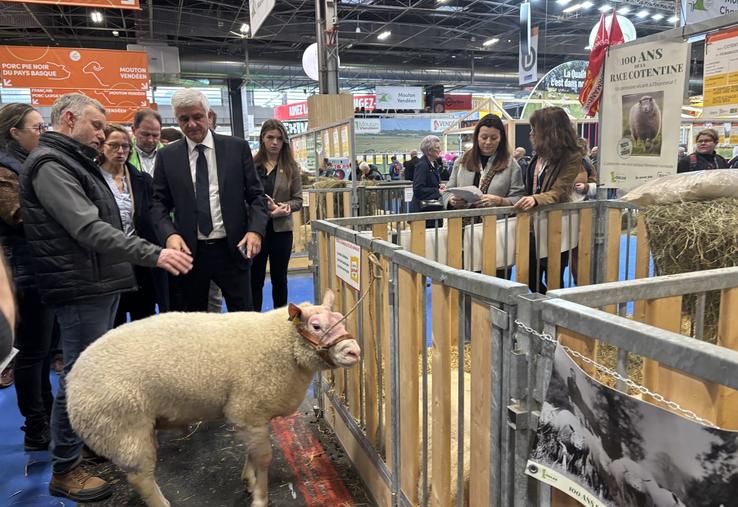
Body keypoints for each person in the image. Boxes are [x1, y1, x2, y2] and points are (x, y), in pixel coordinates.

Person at [19, 93, 193, 502]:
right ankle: (65, 468)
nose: (103, 134)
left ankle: (81, 449)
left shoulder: (71, 162)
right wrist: (155, 254)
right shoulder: (51, 165)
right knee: (79, 378)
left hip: (97, 281)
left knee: (90, 373)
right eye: (97, 126)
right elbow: (88, 228)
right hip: (81, 285)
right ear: (68, 119)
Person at [151, 88, 268, 312]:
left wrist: (255, 230)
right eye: (184, 119)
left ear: (209, 116)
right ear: (177, 120)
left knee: (243, 318)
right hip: (190, 253)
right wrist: (170, 234)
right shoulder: (167, 156)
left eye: (197, 116)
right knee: (193, 324)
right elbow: (158, 204)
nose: (192, 124)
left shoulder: (237, 148)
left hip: (233, 249)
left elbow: (256, 196)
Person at [0, 103, 56, 449]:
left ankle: (45, 414)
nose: (42, 133)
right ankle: (36, 425)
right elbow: (18, 214)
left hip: (38, 266)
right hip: (23, 270)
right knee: (32, 351)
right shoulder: (5, 170)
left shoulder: (25, 164)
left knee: (43, 350)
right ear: (14, 133)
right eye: (36, 127)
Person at [99, 124, 169, 325]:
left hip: (140, 258)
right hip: (110, 261)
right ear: (102, 147)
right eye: (113, 145)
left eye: (125, 146)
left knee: (144, 317)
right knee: (114, 320)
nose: (120, 151)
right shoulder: (92, 180)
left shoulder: (142, 180)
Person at [515, 106, 582, 294]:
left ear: (549, 131)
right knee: (530, 276)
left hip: (556, 225)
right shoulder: (538, 155)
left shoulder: (571, 156)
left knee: (554, 276)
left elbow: (559, 190)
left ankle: (557, 314)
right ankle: (547, 309)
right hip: (532, 225)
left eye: (535, 129)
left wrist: (535, 199)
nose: (531, 133)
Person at [250, 120, 303, 312]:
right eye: (270, 137)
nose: (275, 142)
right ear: (262, 139)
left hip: (282, 231)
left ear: (284, 142)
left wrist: (283, 208)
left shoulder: (291, 167)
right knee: (254, 278)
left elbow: (298, 200)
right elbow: (244, 198)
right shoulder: (251, 165)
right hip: (256, 231)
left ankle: (281, 320)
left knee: (279, 279)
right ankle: (253, 321)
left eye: (279, 139)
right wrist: (267, 212)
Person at [444, 114, 524, 209]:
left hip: (495, 221)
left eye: (494, 138)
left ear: (501, 138)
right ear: (476, 137)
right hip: (463, 221)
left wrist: (499, 201)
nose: (488, 142)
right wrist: (451, 199)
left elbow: (519, 198)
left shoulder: (511, 165)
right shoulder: (461, 161)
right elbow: (447, 192)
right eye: (484, 137)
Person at [411, 135, 444, 227]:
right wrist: (437, 191)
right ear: (429, 151)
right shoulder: (422, 165)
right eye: (437, 148)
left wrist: (439, 186)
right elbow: (418, 189)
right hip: (423, 213)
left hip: (432, 209)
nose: (440, 150)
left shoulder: (434, 163)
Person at [128, 108, 163, 176]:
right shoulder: (123, 154)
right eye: (145, 134)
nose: (150, 140)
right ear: (133, 130)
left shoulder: (169, 155)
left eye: (155, 135)